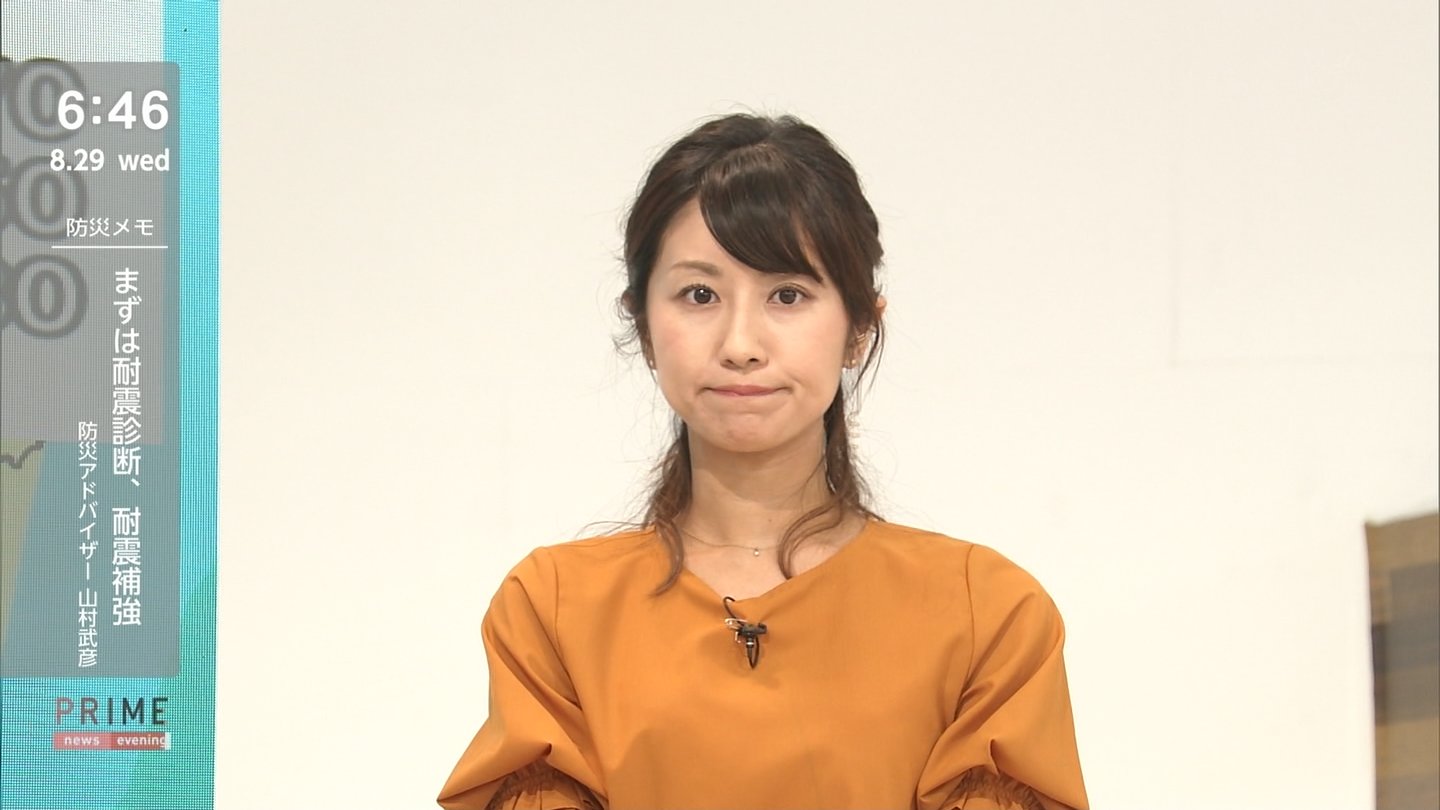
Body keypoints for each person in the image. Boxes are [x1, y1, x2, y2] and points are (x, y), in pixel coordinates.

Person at [438, 113, 1088, 810]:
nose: (741, 344)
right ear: (643, 325)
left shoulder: (985, 613)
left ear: (859, 327)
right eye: (700, 295)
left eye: (788, 295)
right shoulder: (554, 610)